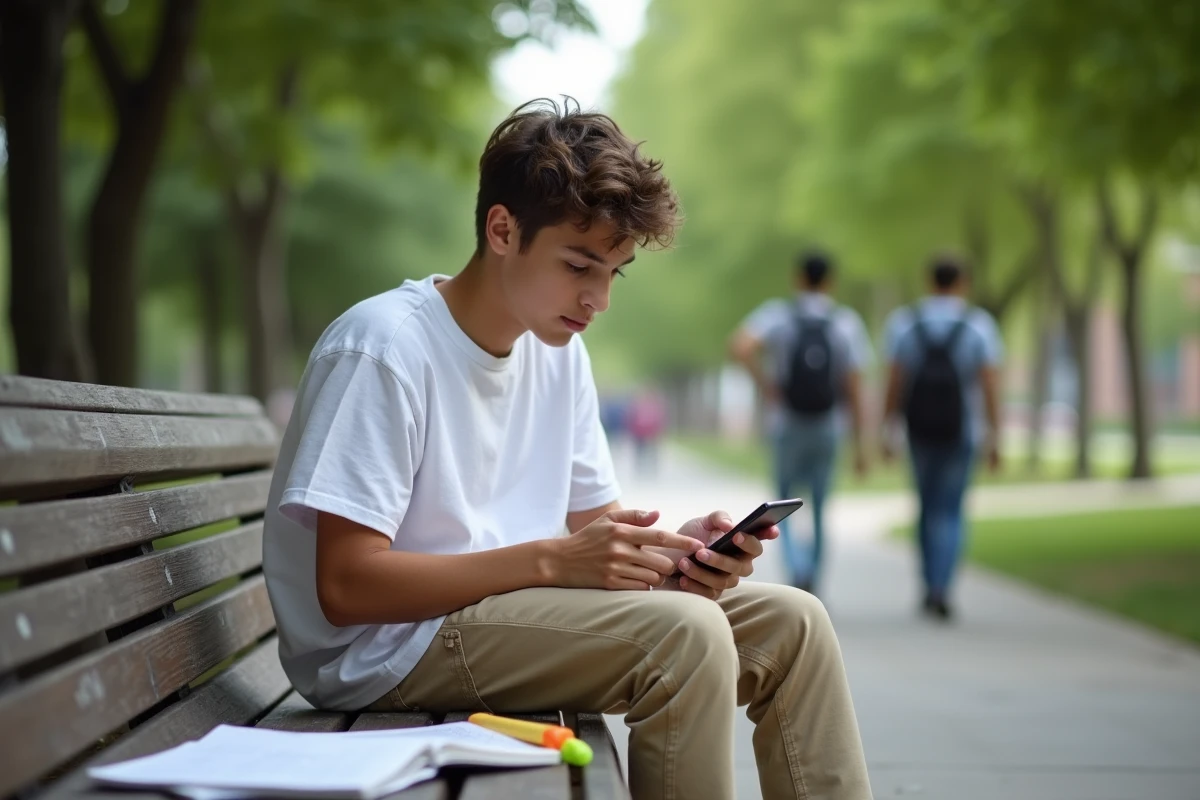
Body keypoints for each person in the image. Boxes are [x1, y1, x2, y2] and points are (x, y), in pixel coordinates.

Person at [261, 99, 871, 800]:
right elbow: (345, 586)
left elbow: (599, 534)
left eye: (614, 273)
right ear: (502, 229)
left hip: (506, 612)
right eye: (580, 266)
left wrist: (681, 556)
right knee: (687, 638)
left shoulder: (557, 352)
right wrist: (553, 560)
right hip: (389, 648)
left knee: (796, 623)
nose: (598, 300)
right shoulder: (384, 348)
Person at [728, 251, 872, 593]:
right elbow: (854, 384)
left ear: (798, 278)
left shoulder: (779, 316)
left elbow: (740, 346)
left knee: (784, 499)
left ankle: (796, 566)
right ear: (830, 282)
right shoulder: (845, 322)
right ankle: (814, 574)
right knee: (821, 504)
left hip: (787, 422)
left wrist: (767, 386)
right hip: (828, 424)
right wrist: (861, 442)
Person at [881, 254, 1003, 621]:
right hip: (961, 431)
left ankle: (927, 583)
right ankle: (942, 587)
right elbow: (990, 384)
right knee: (951, 510)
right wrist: (995, 434)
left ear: (929, 280)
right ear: (962, 282)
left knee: (925, 506)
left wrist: (887, 427)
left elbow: (895, 382)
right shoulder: (979, 325)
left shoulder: (905, 323)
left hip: (918, 431)